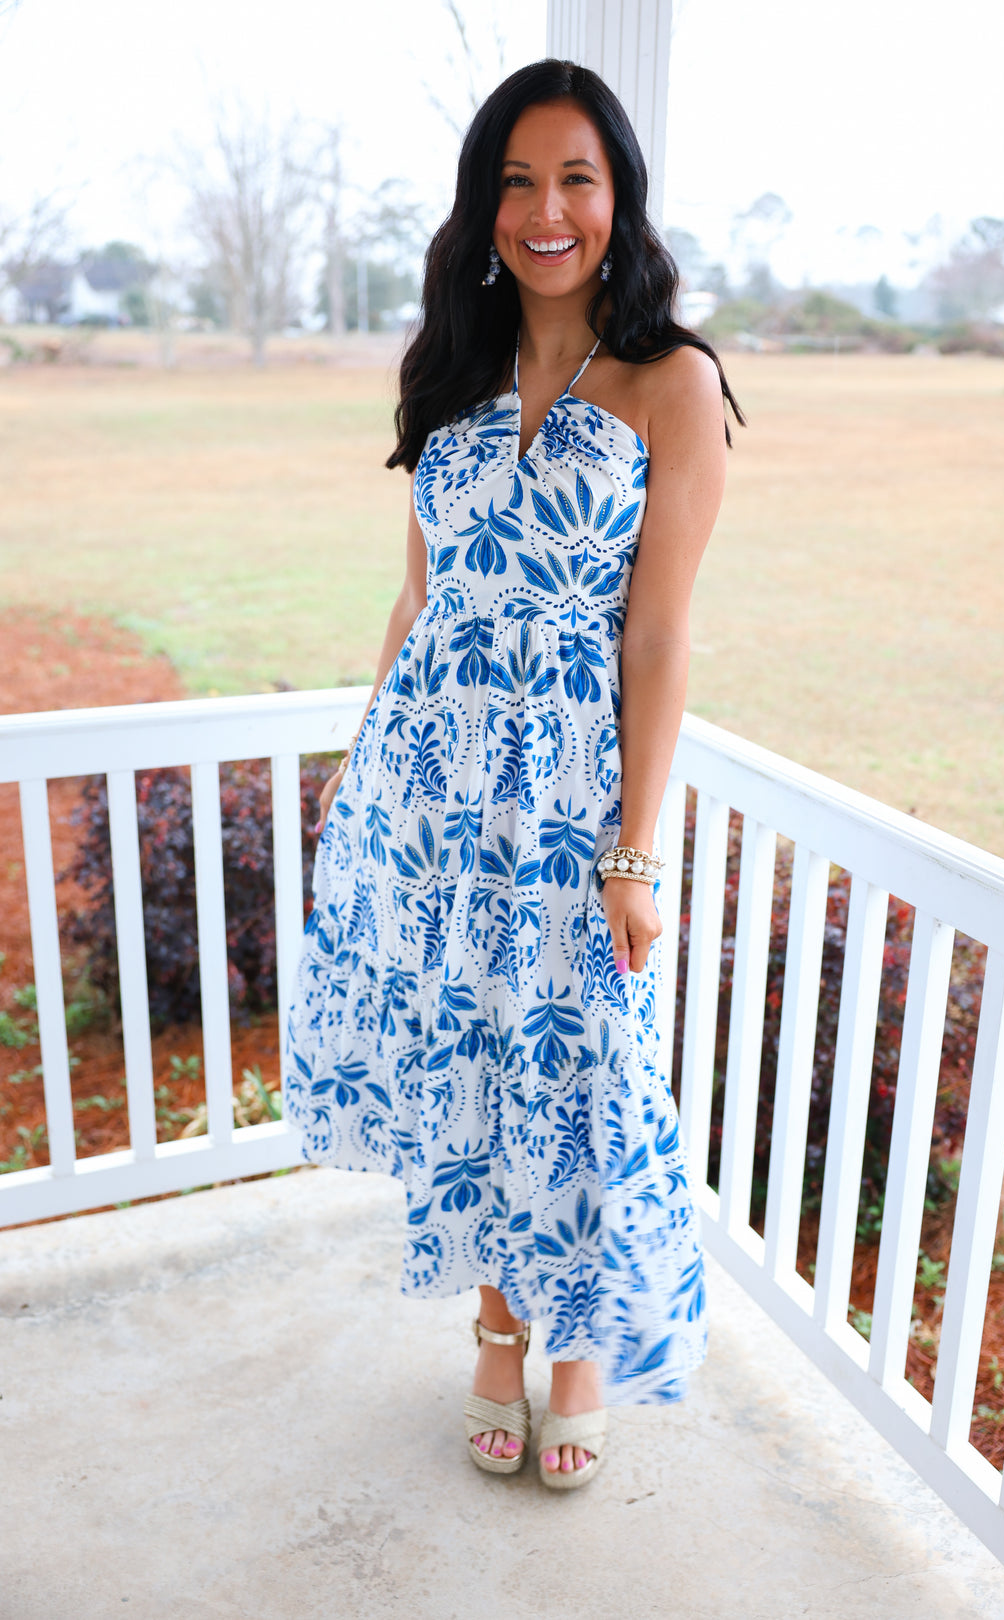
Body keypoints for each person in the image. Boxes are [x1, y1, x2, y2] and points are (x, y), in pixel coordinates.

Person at [284, 57, 742, 1490]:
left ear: (620, 198)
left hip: (569, 801)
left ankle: (580, 1352)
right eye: (519, 181)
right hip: (432, 796)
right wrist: (370, 782)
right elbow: (417, 604)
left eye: (577, 179)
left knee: (589, 1072)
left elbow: (660, 633)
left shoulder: (676, 383)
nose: (549, 211)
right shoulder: (452, 371)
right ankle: (494, 1330)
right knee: (471, 1060)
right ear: (487, 204)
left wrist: (633, 850)